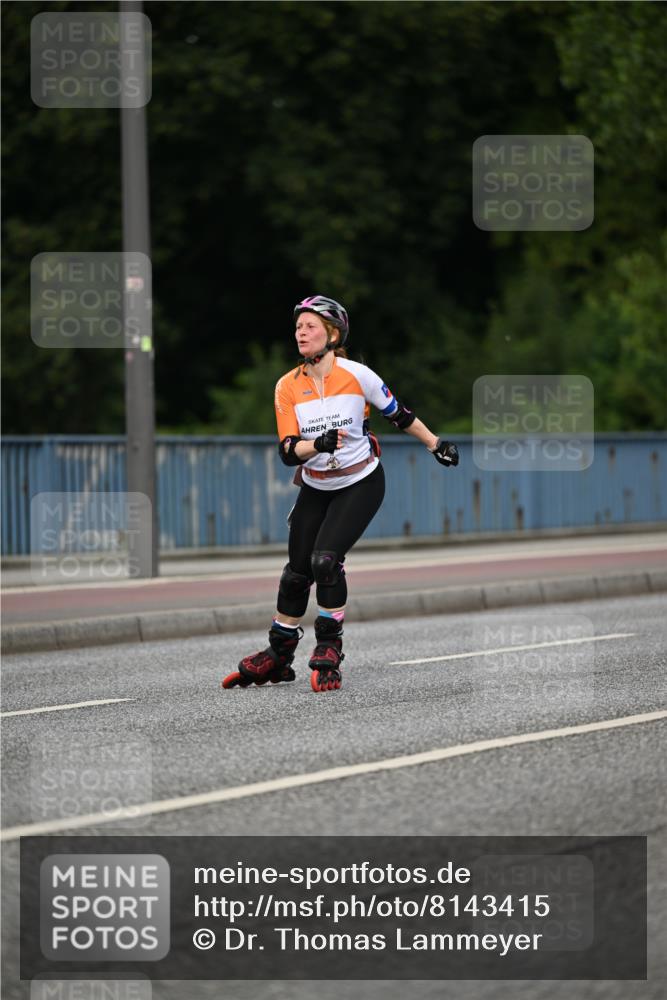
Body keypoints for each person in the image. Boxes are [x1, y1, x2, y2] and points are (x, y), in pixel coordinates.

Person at [222, 295, 459, 693]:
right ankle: (279, 654)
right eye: (298, 326)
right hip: (316, 484)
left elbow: (399, 414)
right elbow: (287, 451)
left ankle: (329, 648)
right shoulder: (286, 386)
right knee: (296, 573)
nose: (301, 332)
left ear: (332, 334)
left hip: (360, 482)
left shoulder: (358, 375)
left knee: (325, 560)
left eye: (310, 326)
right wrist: (318, 446)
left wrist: (436, 444)